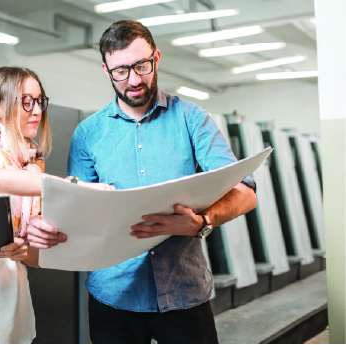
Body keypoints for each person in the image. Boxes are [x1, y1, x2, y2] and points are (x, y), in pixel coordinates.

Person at [27, 20, 257, 344]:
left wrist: (202, 222)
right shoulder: (88, 134)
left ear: (157, 58)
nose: (134, 79)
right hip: (113, 296)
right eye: (121, 70)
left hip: (184, 293)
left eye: (141, 66)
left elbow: (245, 192)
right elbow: (77, 210)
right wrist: (46, 225)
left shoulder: (192, 119)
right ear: (106, 71)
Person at [0, 66, 112, 344]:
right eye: (25, 101)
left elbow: (36, 258)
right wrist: (78, 186)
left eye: (39, 101)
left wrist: (27, 249)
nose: (37, 110)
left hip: (12, 320)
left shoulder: (32, 171)